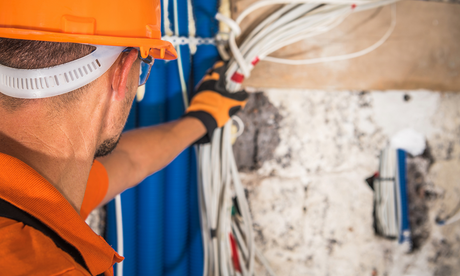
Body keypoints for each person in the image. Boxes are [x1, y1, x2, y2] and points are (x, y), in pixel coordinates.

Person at [0, 1, 248, 275]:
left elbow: (129, 162)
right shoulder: (52, 265)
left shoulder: (32, 196)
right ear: (122, 71)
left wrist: (201, 119)